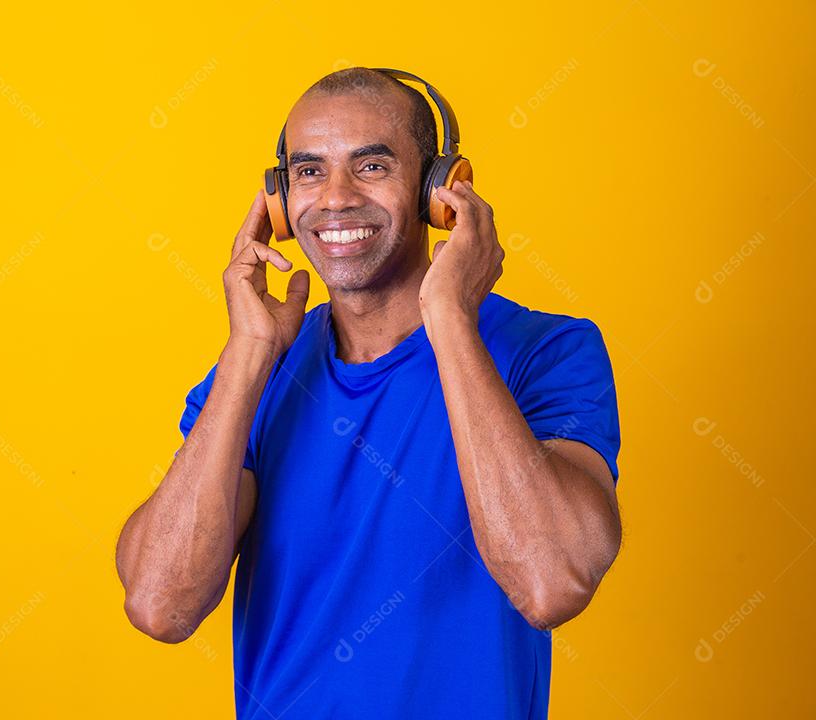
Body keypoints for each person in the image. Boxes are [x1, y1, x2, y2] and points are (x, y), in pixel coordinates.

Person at [115, 66, 622, 719]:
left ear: (440, 192)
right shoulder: (256, 372)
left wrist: (450, 322)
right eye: (308, 172)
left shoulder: (547, 351)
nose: (335, 198)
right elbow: (161, 604)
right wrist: (247, 353)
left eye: (372, 167)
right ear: (278, 201)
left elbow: (552, 582)